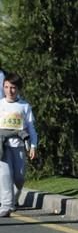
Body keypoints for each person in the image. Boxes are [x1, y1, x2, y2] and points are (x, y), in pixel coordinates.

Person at [0, 72, 38, 217]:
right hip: (2, 147)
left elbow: (31, 128)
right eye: (6, 87)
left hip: (19, 146)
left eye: (13, 87)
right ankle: (5, 205)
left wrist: (33, 145)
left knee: (19, 178)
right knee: (5, 176)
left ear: (19, 89)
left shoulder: (24, 106)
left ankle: (13, 200)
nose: (10, 91)